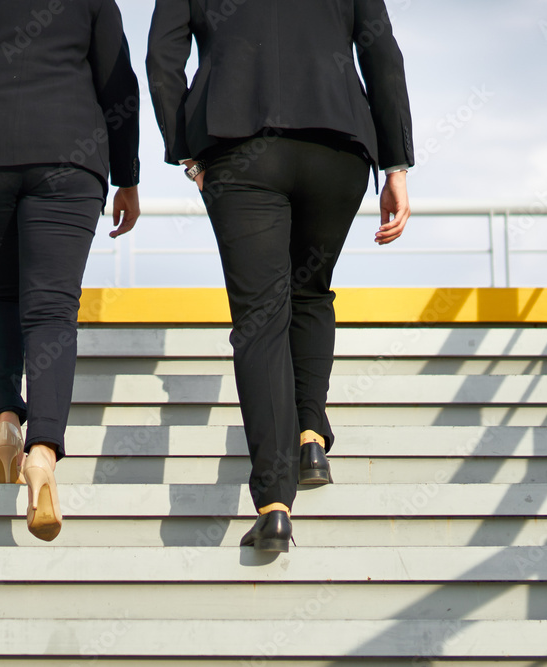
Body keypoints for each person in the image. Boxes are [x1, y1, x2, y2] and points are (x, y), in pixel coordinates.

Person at [147, 0, 413, 552]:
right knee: (311, 292)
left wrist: (185, 151)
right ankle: (310, 435)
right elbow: (382, 52)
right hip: (337, 143)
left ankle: (274, 503)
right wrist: (396, 165)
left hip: (238, 145)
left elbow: (161, 57)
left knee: (260, 320)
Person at [0, 0, 141, 541]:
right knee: (52, 310)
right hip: (67, 152)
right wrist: (127, 174)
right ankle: (42, 455)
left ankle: (6, 421)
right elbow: (118, 82)